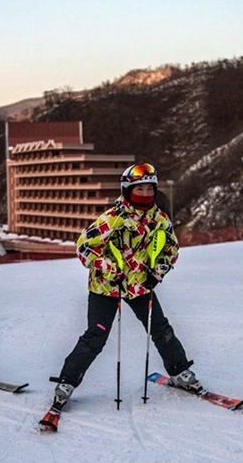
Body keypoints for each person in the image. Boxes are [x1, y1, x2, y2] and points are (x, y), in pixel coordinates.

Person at [48, 162, 199, 411]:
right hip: (106, 287)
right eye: (140, 189)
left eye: (150, 189)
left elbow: (171, 249)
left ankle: (180, 372)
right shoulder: (112, 219)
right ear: (127, 190)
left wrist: (157, 272)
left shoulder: (159, 219)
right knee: (95, 337)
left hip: (140, 285)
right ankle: (66, 383)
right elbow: (84, 249)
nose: (146, 195)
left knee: (160, 329)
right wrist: (110, 269)